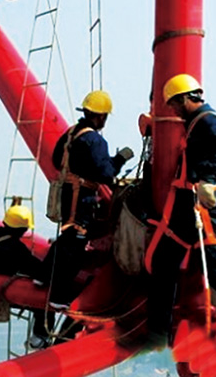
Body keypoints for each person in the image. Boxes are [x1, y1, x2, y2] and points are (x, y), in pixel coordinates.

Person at [145, 74, 216, 345]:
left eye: (175, 105)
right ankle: (157, 332)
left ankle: (158, 332)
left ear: (186, 99)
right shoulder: (196, 123)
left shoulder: (208, 121)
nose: (174, 110)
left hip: (205, 210)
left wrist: (208, 179)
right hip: (188, 210)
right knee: (163, 263)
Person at [44, 90, 134, 307]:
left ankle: (44, 275)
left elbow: (57, 160)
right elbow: (106, 174)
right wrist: (120, 159)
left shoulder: (71, 133)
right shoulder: (94, 141)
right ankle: (58, 296)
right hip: (81, 197)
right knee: (74, 244)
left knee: (67, 237)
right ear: (101, 116)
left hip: (67, 193)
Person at [0, 203, 53, 348]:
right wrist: (53, 252)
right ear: (21, 229)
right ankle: (40, 337)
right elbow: (40, 271)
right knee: (45, 301)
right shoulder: (14, 248)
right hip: (1, 289)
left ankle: (40, 337)